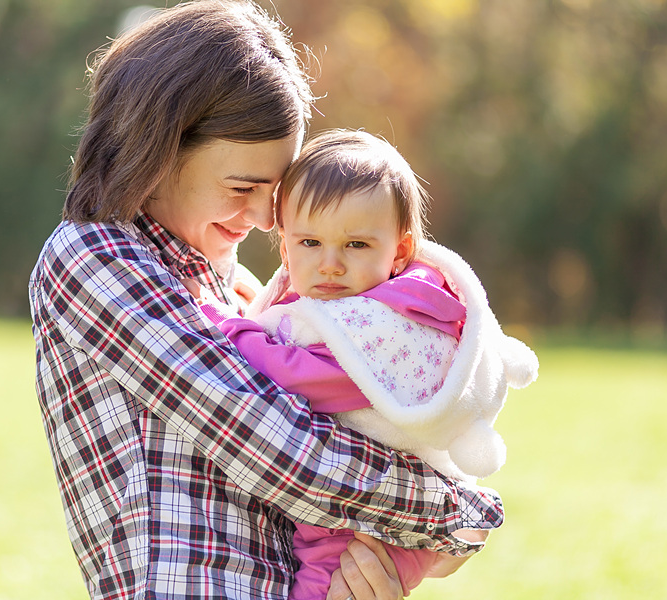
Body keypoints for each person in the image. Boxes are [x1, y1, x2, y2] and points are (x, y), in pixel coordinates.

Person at [28, 2, 505, 599]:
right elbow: (282, 451)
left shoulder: (233, 288)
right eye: (242, 188)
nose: (261, 219)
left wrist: (376, 568)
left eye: (274, 194)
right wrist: (458, 514)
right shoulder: (95, 259)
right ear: (162, 147)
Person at [186, 129, 539, 599]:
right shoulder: (344, 304)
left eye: (355, 246)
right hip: (364, 512)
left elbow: (301, 376)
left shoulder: (386, 323)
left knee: (321, 588)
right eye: (310, 242)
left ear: (398, 251)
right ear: (285, 245)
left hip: (368, 534)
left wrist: (223, 326)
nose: (330, 264)